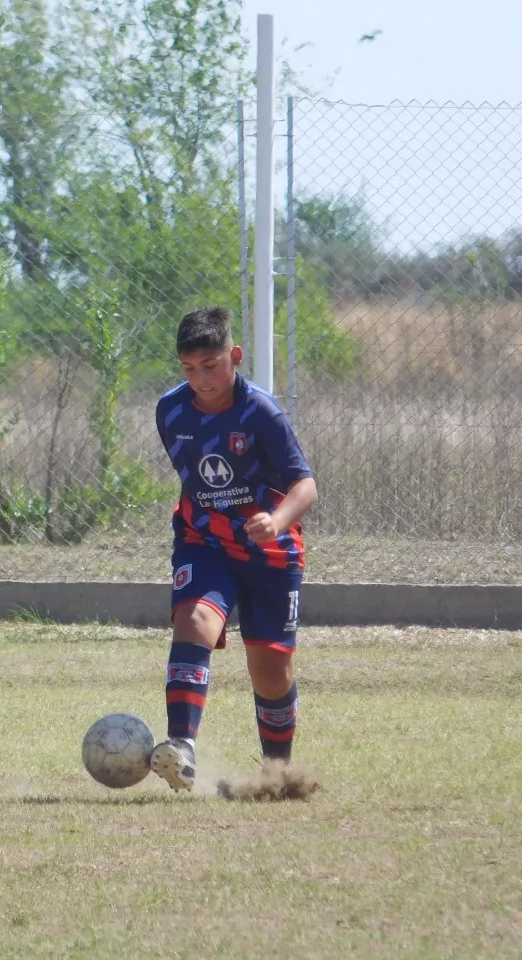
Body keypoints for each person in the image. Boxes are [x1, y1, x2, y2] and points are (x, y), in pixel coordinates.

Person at [150, 306, 318, 791]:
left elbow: (305, 486)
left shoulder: (261, 412)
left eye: (211, 366)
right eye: (189, 368)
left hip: (270, 552)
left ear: (235, 356)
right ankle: (181, 748)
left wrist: (277, 520)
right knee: (194, 619)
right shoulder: (170, 411)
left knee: (270, 669)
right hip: (204, 541)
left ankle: (277, 774)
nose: (201, 380)